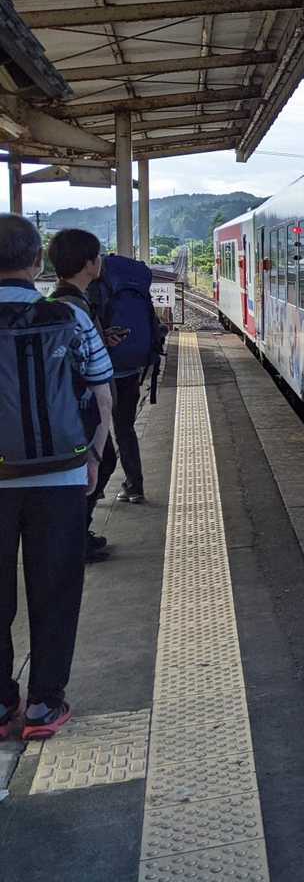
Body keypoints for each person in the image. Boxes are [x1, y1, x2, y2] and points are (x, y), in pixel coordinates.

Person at [1, 213, 114, 741]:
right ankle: (44, 704)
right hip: (60, 476)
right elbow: (101, 392)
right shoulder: (69, 317)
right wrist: (95, 455)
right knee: (55, 589)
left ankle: (2, 704)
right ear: (36, 261)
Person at [47, 229, 116, 561]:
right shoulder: (73, 306)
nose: (100, 261)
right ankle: (77, 537)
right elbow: (99, 386)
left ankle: (77, 534)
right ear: (89, 263)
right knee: (99, 465)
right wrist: (97, 450)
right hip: (79, 412)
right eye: (97, 255)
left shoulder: (61, 301)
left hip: (64, 410)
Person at [90, 252, 164, 505]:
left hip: (100, 374)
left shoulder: (92, 288)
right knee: (125, 429)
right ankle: (134, 485)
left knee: (97, 430)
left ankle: (97, 486)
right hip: (130, 370)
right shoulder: (133, 285)